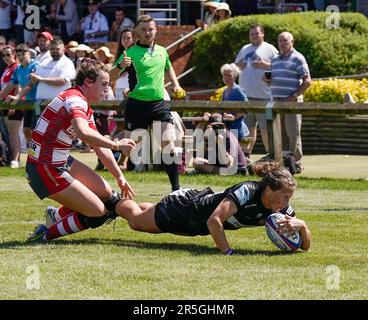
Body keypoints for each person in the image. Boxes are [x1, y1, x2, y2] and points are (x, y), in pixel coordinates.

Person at [26, 59, 136, 243]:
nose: (107, 90)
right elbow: (83, 133)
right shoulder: (75, 100)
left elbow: (98, 145)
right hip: (43, 167)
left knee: (107, 193)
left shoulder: (82, 102)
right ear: (88, 83)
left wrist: (120, 177)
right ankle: (45, 235)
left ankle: (56, 215)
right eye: (104, 84)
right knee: (98, 212)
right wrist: (117, 145)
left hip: (59, 162)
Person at [114, 160, 311, 254]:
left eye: (289, 198)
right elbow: (214, 220)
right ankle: (110, 200)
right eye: (284, 196)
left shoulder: (281, 209)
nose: (287, 203)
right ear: (268, 190)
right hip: (185, 208)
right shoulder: (247, 192)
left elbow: (304, 247)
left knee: (146, 215)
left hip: (196, 226)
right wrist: (228, 252)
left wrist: (302, 226)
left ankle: (149, 208)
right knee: (136, 222)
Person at [110, 15, 184, 192]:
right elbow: (110, 77)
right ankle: (112, 171)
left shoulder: (162, 51)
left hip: (159, 104)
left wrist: (176, 84)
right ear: (136, 32)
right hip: (137, 105)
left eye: (150, 29)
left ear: (156, 30)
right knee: (130, 151)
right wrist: (120, 66)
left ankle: (176, 189)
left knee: (168, 144)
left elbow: (168, 67)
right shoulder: (130, 53)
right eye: (143, 29)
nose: (147, 32)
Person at [265, 31, 312, 171]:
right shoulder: (274, 59)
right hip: (276, 101)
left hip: (292, 101)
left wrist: (294, 95)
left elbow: (307, 81)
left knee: (293, 132)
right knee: (280, 133)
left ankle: (296, 163)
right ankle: (284, 162)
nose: (282, 43)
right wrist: (267, 80)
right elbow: (271, 80)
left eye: (285, 40)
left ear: (292, 42)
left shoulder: (298, 58)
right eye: (280, 41)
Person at [234, 24, 279, 158]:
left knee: (266, 129)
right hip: (246, 98)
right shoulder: (244, 48)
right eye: (252, 34)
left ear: (262, 34)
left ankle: (270, 155)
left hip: (264, 98)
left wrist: (265, 65)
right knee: (248, 129)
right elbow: (235, 66)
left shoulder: (270, 49)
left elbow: (279, 66)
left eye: (256, 33)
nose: (254, 36)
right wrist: (239, 65)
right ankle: (246, 157)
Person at [0, 45, 21, 168]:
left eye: (8, 54)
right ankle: (8, 159)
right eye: (4, 55)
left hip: (13, 104)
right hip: (4, 104)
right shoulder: (7, 69)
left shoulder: (16, 67)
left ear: (14, 54)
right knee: (7, 134)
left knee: (13, 134)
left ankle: (15, 160)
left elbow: (18, 86)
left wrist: (14, 104)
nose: (6, 57)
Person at [220, 63, 249, 141]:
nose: (226, 77)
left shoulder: (238, 90)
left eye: (229, 75)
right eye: (225, 75)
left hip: (237, 127)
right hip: (227, 125)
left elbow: (247, 107)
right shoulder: (224, 91)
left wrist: (235, 116)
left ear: (235, 76)